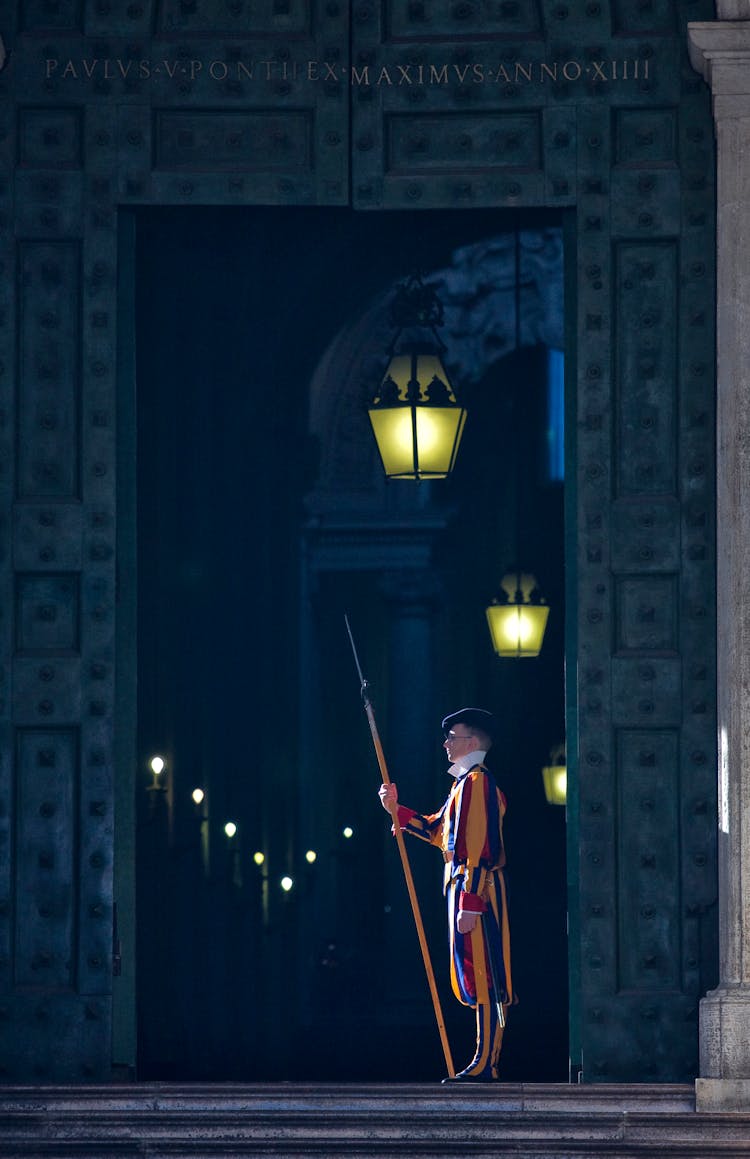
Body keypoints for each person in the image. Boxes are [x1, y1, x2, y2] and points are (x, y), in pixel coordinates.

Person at [378, 707, 514, 1083]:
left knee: (485, 977)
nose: (445, 744)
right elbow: (440, 831)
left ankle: (486, 1061)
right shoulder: (462, 785)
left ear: (470, 742)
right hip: (464, 888)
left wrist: (470, 902)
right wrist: (397, 812)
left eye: (451, 737)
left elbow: (478, 848)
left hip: (477, 890)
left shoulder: (478, 783)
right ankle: (482, 1058)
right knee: (474, 976)